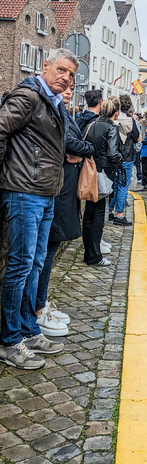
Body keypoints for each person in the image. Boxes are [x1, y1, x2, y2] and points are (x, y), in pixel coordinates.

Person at [0, 48, 78, 370]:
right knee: (19, 266)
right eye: (61, 70)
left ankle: (29, 331)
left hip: (45, 193)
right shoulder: (30, 96)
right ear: (45, 66)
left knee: (34, 263)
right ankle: (8, 341)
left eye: (72, 75)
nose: (66, 78)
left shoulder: (53, 102)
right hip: (24, 192)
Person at [35, 81, 94, 338]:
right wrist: (82, 150)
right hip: (57, 188)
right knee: (43, 254)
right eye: (65, 84)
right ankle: (37, 308)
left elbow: (72, 144)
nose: (69, 90)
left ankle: (40, 303)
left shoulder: (63, 111)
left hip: (63, 186)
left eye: (72, 85)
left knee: (48, 251)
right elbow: (69, 143)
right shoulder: (51, 110)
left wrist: (77, 151)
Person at [84, 97, 123, 264]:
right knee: (98, 213)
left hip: (89, 170)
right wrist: (121, 160)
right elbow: (114, 154)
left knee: (89, 213)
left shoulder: (91, 125)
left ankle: (89, 251)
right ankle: (94, 255)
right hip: (104, 172)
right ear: (116, 112)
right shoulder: (111, 128)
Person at [110, 94, 139, 226]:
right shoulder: (130, 120)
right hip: (127, 156)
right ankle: (120, 214)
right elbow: (137, 137)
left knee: (115, 184)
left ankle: (110, 210)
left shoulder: (114, 118)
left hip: (115, 155)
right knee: (123, 185)